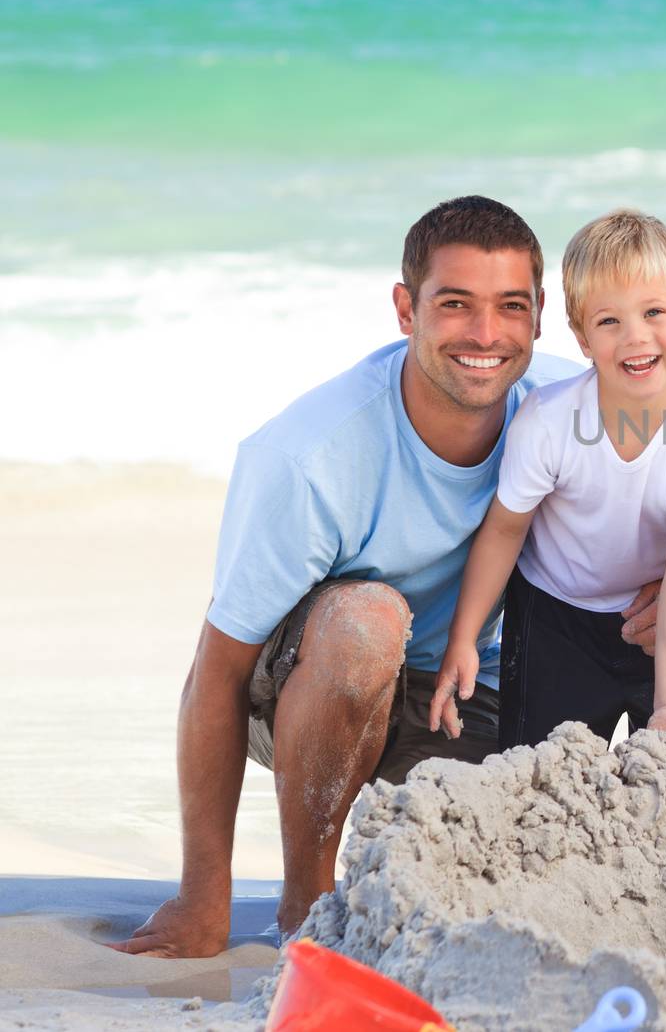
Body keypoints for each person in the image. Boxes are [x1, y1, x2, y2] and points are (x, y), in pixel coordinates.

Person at [110, 196, 597, 957]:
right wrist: (204, 895)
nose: (485, 334)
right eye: (455, 304)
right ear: (406, 309)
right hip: (309, 696)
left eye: (510, 307)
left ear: (540, 316)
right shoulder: (311, 456)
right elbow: (215, 673)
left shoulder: (573, 413)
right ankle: (307, 907)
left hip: (464, 703)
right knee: (369, 621)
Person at [430, 209, 666, 750]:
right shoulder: (549, 421)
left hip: (654, 617)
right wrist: (465, 638)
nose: (635, 338)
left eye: (654, 312)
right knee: (541, 771)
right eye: (609, 321)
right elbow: (504, 531)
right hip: (554, 615)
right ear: (580, 336)